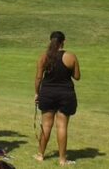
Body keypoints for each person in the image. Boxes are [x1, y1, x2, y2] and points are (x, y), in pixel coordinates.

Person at [34, 31, 81, 166]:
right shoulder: (70, 57)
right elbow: (77, 76)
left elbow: (38, 78)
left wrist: (37, 93)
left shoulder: (44, 57)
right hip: (66, 94)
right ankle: (62, 159)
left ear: (50, 41)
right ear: (63, 41)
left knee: (46, 125)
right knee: (62, 126)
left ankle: (40, 155)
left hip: (48, 93)